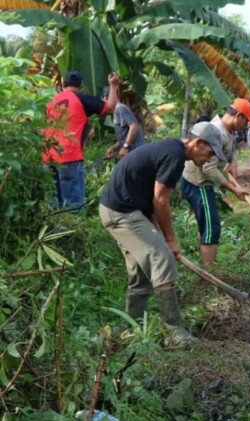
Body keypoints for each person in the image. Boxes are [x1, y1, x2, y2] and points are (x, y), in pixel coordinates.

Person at [99, 122, 227, 344]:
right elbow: (160, 200)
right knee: (162, 258)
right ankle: (175, 332)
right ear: (198, 143)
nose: (210, 158)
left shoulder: (170, 149)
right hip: (122, 213)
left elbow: (151, 200)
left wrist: (159, 234)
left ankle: (132, 330)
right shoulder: (175, 156)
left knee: (140, 272)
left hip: (120, 210)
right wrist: (170, 240)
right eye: (210, 152)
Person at [180, 99, 250, 266]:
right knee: (211, 227)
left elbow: (230, 148)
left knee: (205, 224)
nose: (246, 126)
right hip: (199, 184)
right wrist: (234, 189)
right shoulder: (217, 133)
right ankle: (210, 271)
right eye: (247, 121)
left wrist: (233, 161)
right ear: (239, 116)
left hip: (199, 182)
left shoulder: (227, 130)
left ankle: (206, 263)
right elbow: (209, 170)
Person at [43, 70, 120, 210]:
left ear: (63, 84)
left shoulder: (50, 101)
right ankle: (74, 231)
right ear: (81, 85)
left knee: (53, 205)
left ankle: (54, 230)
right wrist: (113, 85)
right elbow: (111, 108)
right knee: (73, 206)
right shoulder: (81, 99)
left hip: (48, 156)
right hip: (68, 156)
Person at [103, 86, 146, 161]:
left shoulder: (121, 108)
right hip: (133, 152)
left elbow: (133, 126)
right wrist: (113, 148)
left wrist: (125, 147)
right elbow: (124, 136)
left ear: (106, 97)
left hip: (137, 151)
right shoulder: (116, 111)